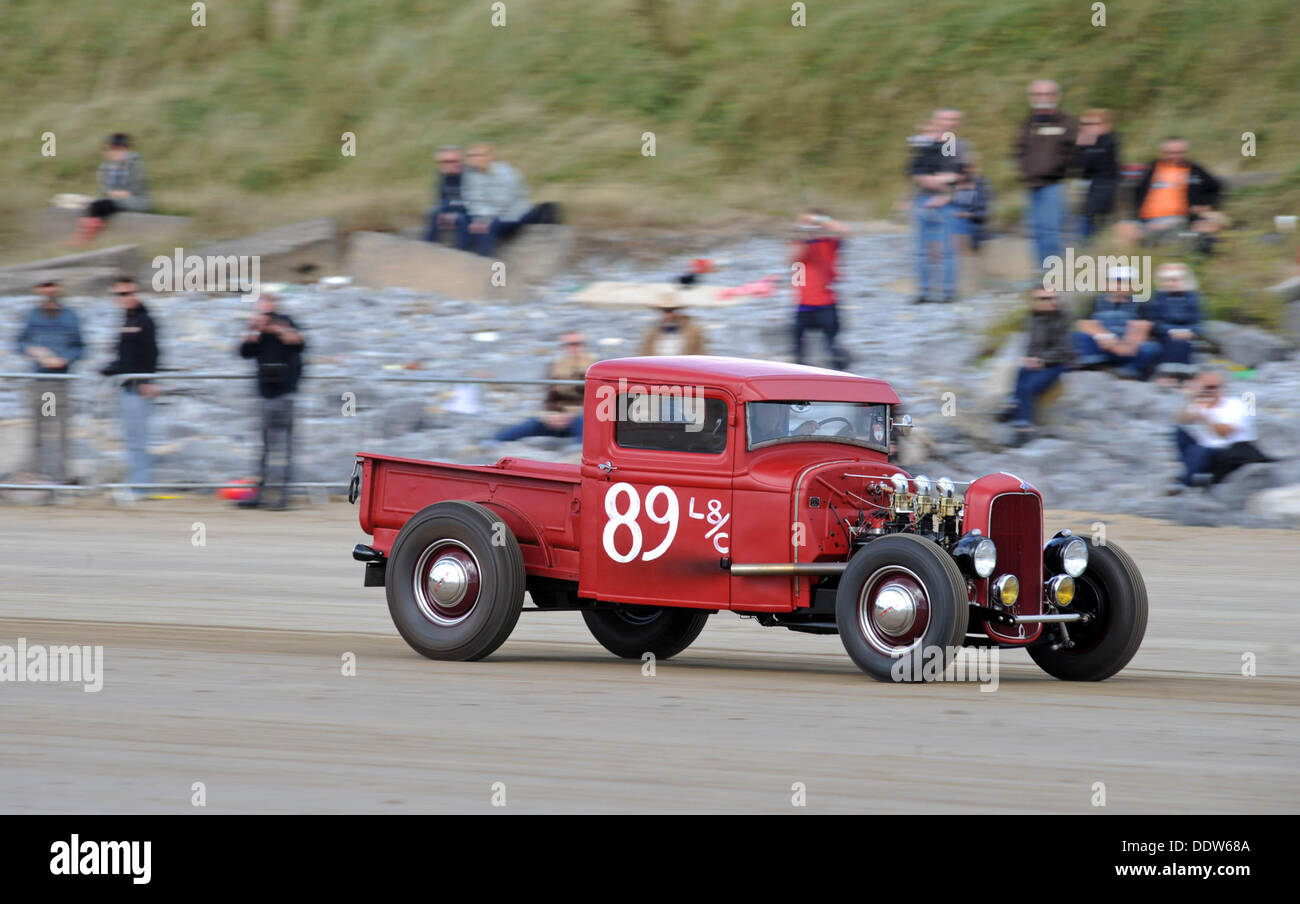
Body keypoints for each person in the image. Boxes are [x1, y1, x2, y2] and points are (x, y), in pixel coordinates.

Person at [237, 293, 306, 510]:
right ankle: (260, 494)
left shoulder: (287, 323)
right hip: (264, 394)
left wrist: (278, 329)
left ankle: (283, 497)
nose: (266, 315)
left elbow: (299, 343)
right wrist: (253, 330)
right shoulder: (257, 330)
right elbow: (243, 352)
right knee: (264, 449)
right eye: (262, 311)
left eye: (268, 311)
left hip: (285, 394)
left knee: (285, 448)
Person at [14, 280, 84, 483]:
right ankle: (38, 474)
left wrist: (65, 359)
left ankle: (58, 477)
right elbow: (20, 342)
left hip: (58, 382)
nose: (48, 291)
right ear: (38, 290)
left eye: (52, 286)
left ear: (59, 289)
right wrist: (33, 351)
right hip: (41, 381)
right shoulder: (32, 314)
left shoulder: (70, 315)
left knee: (57, 429)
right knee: (40, 429)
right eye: (44, 287)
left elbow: (80, 346)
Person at [99, 276, 159, 493]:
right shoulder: (127, 320)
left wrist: (147, 381)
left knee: (139, 439)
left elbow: (152, 353)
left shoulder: (145, 320)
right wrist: (108, 370)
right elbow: (124, 357)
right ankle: (137, 484)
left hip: (138, 387)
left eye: (130, 293)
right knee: (132, 439)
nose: (126, 298)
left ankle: (140, 487)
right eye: (121, 294)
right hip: (126, 386)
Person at [1014, 80, 1078, 270]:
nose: (1043, 99)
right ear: (1032, 98)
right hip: (1032, 185)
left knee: (1052, 231)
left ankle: (1054, 273)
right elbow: (1019, 147)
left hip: (1053, 185)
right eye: (1039, 95)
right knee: (1036, 232)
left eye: (1047, 94)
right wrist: (1023, 167)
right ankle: (1041, 273)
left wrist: (1058, 168)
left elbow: (1075, 150)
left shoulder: (1066, 122)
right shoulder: (1029, 122)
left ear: (1056, 97)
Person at [1172, 370, 1271, 489]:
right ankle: (1194, 471)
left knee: (1199, 450)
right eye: (1204, 388)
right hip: (1207, 449)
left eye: (1212, 387)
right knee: (1180, 432)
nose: (1209, 391)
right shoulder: (1200, 404)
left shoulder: (1236, 405)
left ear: (1222, 388)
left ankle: (1185, 481)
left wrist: (1205, 417)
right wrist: (1191, 399)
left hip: (1229, 450)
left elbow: (1224, 433)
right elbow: (1180, 420)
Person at [1123, 137, 1224, 252]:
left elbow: (1216, 187)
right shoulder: (1151, 168)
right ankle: (1152, 242)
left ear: (1186, 153)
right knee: (1123, 228)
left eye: (1179, 153)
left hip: (1176, 219)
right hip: (1144, 219)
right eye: (1170, 153)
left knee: (1206, 225)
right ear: (1161, 153)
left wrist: (1207, 205)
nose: (1174, 156)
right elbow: (1137, 190)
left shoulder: (1195, 170)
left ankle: (1157, 241)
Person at [908, 111, 967, 303]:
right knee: (922, 249)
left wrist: (945, 193)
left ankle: (948, 292)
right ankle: (924, 291)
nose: (947, 124)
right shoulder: (924, 144)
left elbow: (960, 174)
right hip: (923, 200)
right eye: (943, 120)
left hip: (947, 203)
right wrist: (933, 182)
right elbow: (914, 171)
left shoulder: (957, 146)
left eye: (951, 120)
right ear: (935, 122)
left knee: (948, 249)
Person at [493, 334, 594, 443]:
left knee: (583, 423)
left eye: (576, 344)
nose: (572, 348)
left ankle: (578, 454)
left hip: (582, 418)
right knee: (529, 424)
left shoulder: (594, 368)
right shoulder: (556, 367)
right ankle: (492, 444)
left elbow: (597, 402)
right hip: (557, 419)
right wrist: (550, 416)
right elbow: (548, 399)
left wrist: (571, 415)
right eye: (567, 345)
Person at [1070, 267, 1162, 379]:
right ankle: (1096, 364)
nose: (1119, 286)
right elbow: (1085, 323)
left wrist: (1126, 345)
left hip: (1129, 349)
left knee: (1152, 347)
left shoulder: (1141, 303)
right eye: (1115, 282)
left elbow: (1143, 327)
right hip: (1102, 347)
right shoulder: (1095, 301)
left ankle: (1130, 370)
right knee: (1078, 336)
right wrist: (1104, 337)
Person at [789, 210, 850, 369]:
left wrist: (817, 219)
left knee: (833, 351)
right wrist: (804, 235)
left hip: (826, 304)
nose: (812, 231)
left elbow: (843, 230)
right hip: (803, 306)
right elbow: (792, 258)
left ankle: (840, 373)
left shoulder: (828, 244)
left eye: (815, 227)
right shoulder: (799, 246)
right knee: (798, 354)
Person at [1005, 288, 1072, 430]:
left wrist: (1041, 360)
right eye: (1043, 299)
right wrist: (1029, 359)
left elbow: (1064, 350)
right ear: (1035, 301)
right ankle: (1014, 410)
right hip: (1035, 362)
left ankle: (1024, 424)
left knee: (1029, 388)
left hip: (1055, 364)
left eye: (1052, 298)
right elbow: (1031, 344)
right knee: (1021, 375)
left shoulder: (1061, 319)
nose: (1050, 302)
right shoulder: (1032, 318)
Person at [75, 133, 150, 244]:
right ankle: (84, 237)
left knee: (101, 206)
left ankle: (85, 239)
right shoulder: (105, 167)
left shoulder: (135, 165)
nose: (114, 153)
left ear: (126, 150)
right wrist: (116, 194)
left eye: (118, 149)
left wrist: (117, 194)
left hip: (136, 201)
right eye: (111, 149)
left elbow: (135, 189)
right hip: (115, 199)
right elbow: (104, 189)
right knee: (92, 205)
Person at [461, 143, 532, 256]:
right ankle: (461, 260)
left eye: (481, 155)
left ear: (490, 156)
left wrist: (484, 219)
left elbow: (504, 203)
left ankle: (484, 262)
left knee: (489, 226)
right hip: (490, 217)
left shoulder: (506, 172)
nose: (477, 159)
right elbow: (472, 202)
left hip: (513, 216)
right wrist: (479, 218)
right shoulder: (472, 176)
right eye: (473, 156)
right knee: (463, 220)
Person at [1075, 109, 1120, 241]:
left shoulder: (1109, 141)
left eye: (1092, 124)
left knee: (1095, 233)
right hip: (1089, 195)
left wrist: (1085, 140)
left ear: (1105, 125)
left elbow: (1093, 162)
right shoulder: (1088, 142)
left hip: (1103, 195)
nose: (1087, 127)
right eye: (1084, 124)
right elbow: (1076, 164)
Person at [1149, 262, 1202, 370]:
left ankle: (1184, 372)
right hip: (1164, 334)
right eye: (1168, 280)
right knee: (1172, 342)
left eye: (1175, 280)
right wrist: (1171, 331)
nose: (1172, 283)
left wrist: (1188, 331)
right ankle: (1169, 371)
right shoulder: (1158, 298)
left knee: (1183, 343)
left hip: (1187, 334)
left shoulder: (1193, 298)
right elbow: (1155, 321)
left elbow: (1198, 322)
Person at [422, 146, 469, 246]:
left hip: (470, 212)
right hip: (453, 209)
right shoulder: (443, 175)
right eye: (444, 162)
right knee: (433, 212)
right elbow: (441, 198)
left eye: (454, 161)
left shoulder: (470, 175)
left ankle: (461, 253)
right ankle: (427, 247)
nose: (451, 164)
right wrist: (444, 209)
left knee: (460, 219)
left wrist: (452, 209)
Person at [952, 153, 992, 253]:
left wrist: (967, 214)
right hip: (955, 232)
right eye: (963, 167)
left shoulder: (982, 184)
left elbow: (984, 213)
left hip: (974, 232)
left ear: (976, 167)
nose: (966, 170)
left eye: (969, 167)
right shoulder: (955, 185)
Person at [640, 306, 707, 356]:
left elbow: (701, 356)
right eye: (666, 311)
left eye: (672, 311)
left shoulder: (694, 332)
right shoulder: (651, 335)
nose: (669, 315)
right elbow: (644, 356)